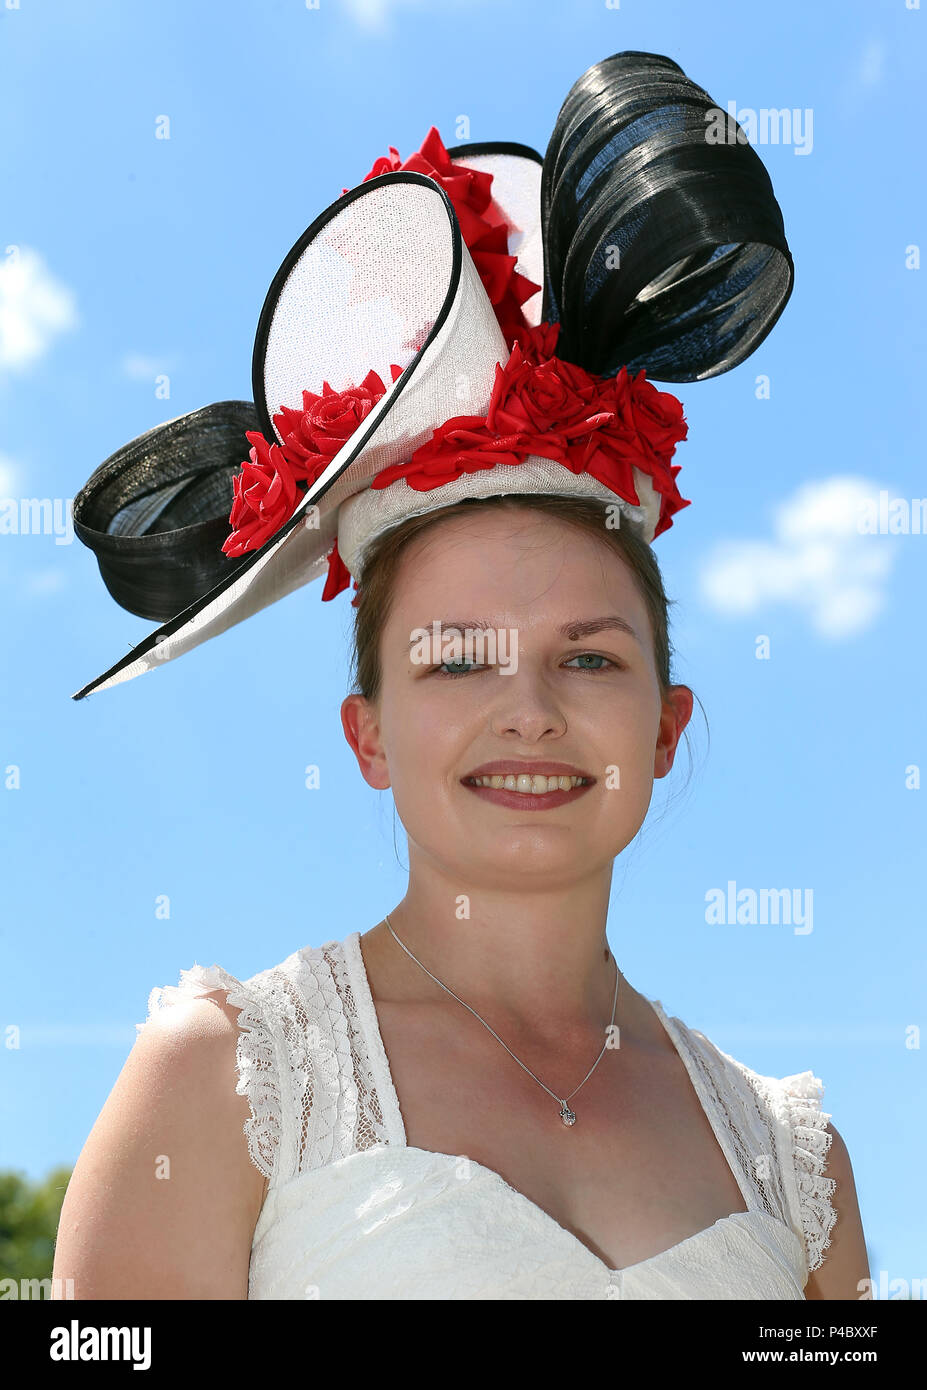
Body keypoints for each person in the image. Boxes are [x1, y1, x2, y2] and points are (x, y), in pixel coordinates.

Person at [54, 52, 868, 1299]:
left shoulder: (797, 1164)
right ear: (368, 731)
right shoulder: (222, 1080)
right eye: (454, 661)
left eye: (589, 657)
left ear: (666, 723)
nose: (528, 710)